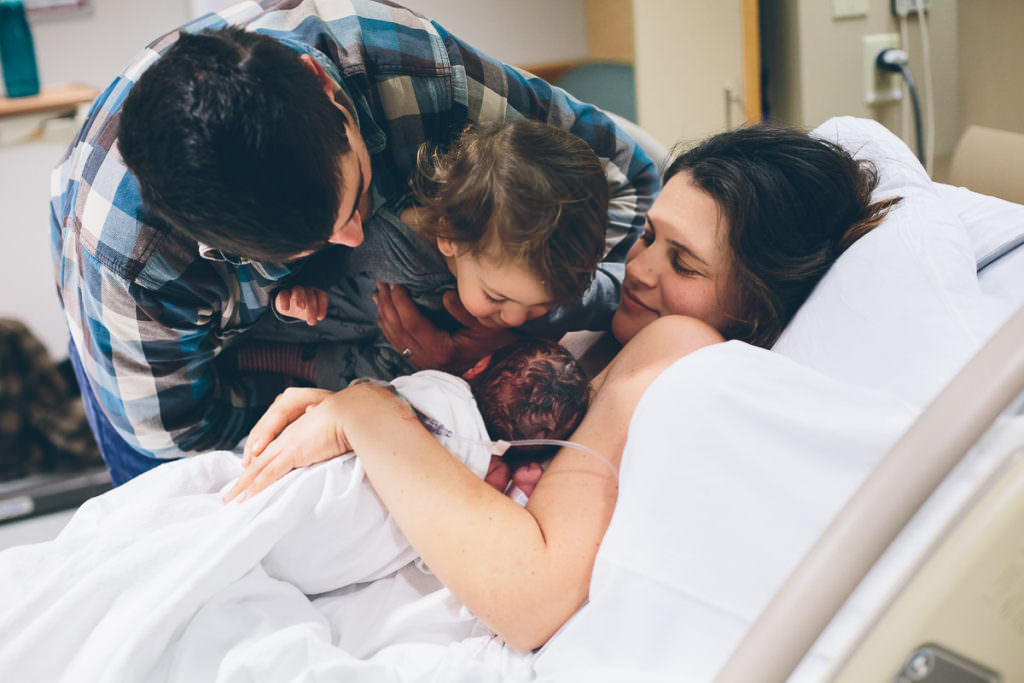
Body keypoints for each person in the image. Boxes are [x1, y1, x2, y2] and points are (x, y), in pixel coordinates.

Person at [232, 122, 902, 651]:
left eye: (684, 262)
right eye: (647, 235)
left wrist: (368, 413)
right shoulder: (629, 328)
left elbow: (531, 595)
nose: (638, 268)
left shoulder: (681, 344)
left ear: (755, 305)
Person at [50, 0, 659, 485]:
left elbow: (632, 181)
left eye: (360, 194)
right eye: (299, 252)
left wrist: (517, 316)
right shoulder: (127, 259)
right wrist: (349, 416)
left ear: (324, 85)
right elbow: (185, 443)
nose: (355, 238)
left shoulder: (409, 66)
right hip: (198, 375)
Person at [261, 118, 610, 384]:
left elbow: (607, 296)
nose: (517, 317)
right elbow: (322, 263)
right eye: (496, 296)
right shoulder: (392, 243)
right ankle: (277, 359)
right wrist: (300, 293)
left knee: (397, 376)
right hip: (349, 313)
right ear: (449, 236)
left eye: (541, 304)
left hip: (395, 352)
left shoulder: (542, 281)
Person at [226, 335, 590, 504]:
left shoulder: (440, 383)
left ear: (479, 366)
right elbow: (476, 508)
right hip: (360, 485)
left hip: (339, 449)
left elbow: (379, 390)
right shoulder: (493, 467)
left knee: (258, 483)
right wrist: (520, 486)